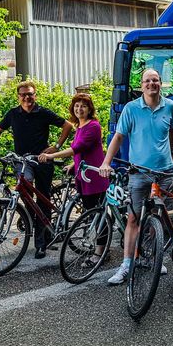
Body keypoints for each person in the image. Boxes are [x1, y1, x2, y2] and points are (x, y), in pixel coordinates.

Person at [99, 68, 173, 285]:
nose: (151, 84)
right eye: (147, 81)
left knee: (159, 216)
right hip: (139, 172)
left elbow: (171, 129)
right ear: (141, 85)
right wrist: (106, 162)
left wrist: (172, 150)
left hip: (164, 172)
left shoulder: (170, 105)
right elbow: (119, 137)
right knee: (133, 218)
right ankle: (126, 264)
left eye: (155, 80)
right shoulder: (131, 109)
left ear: (161, 83)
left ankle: (154, 256)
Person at [0, 81, 73, 259]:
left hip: (42, 160)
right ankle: (37, 227)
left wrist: (56, 146)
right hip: (22, 162)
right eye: (23, 94)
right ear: (18, 97)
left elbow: (67, 125)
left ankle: (41, 243)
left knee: (43, 199)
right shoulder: (13, 114)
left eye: (30, 94)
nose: (27, 97)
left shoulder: (43, 112)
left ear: (35, 95)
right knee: (26, 194)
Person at [39, 93, 109, 266]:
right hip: (83, 174)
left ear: (90, 109)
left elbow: (76, 148)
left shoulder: (93, 126)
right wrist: (73, 164)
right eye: (77, 106)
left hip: (94, 176)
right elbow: (82, 152)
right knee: (90, 213)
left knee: (97, 216)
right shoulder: (80, 126)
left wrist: (51, 156)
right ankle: (99, 248)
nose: (79, 109)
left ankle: (100, 253)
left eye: (83, 106)